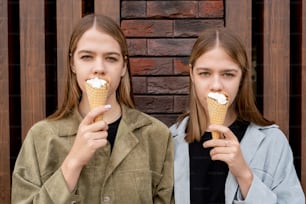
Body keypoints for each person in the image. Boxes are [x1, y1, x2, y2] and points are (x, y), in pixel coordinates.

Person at [11, 13, 174, 204]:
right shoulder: (41, 138)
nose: (99, 68)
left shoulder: (156, 136)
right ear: (73, 64)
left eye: (111, 58)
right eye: (87, 57)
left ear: (123, 67)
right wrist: (73, 162)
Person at [170, 27, 305, 204]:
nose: (216, 85)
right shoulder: (169, 142)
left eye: (228, 74)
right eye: (205, 73)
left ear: (241, 77)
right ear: (191, 74)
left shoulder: (272, 142)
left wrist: (244, 175)